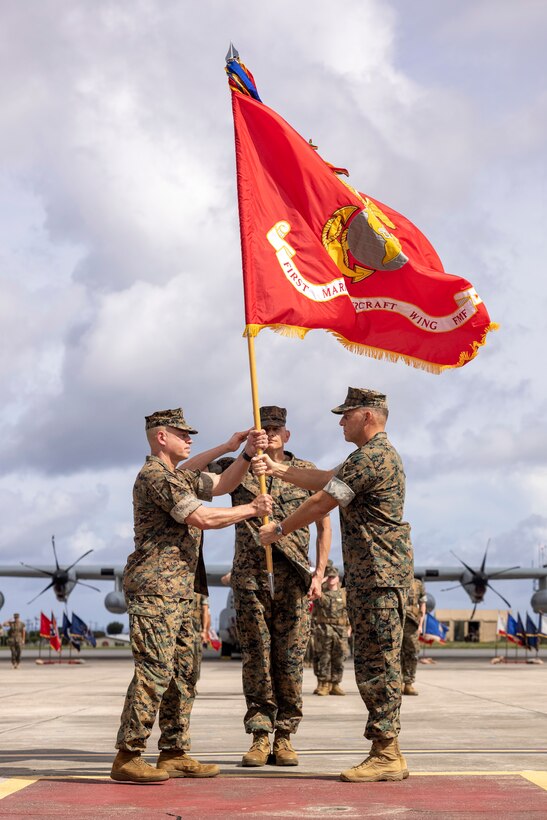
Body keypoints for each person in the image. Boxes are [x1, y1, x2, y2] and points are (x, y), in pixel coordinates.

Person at [258, 387, 413, 782]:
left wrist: (279, 528)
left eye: (346, 414)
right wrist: (279, 471)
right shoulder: (366, 458)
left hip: (379, 577)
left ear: (367, 416)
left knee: (378, 665)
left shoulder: (372, 457)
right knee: (373, 662)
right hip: (373, 576)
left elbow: (321, 502)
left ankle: (386, 752)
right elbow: (326, 479)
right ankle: (386, 749)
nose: (340, 421)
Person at [111, 408, 272, 784]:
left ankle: (174, 750)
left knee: (184, 673)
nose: (190, 439)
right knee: (154, 671)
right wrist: (252, 509)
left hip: (183, 590)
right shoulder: (155, 476)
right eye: (183, 434)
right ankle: (128, 754)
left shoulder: (178, 476)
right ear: (161, 437)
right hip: (156, 589)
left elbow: (221, 485)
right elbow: (201, 517)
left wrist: (244, 453)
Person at [210, 405, 332, 767]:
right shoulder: (239, 468)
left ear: (287, 434)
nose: (271, 434)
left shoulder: (306, 472)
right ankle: (261, 735)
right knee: (257, 657)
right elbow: (197, 480)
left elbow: (324, 524)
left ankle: (285, 736)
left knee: (290, 659)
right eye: (264, 428)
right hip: (250, 576)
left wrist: (319, 572)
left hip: (293, 575)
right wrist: (240, 451)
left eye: (277, 428)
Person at [311, 560, 350, 696]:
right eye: (329, 577)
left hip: (340, 629)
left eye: (333, 577)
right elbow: (311, 596)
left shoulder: (344, 593)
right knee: (323, 657)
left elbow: (349, 611)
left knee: (339, 657)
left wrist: (349, 628)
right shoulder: (321, 591)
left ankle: (335, 684)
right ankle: (323, 683)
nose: (331, 579)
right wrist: (321, 581)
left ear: (338, 577)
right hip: (324, 628)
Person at [401, 577, 427, 695]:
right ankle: (397, 683)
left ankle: (408, 684)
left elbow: (422, 604)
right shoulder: (393, 580)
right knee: (395, 654)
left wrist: (421, 624)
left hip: (411, 624)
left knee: (412, 653)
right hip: (396, 622)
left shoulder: (418, 584)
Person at [192, 591, 210, 684]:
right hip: (194, 631)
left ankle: (191, 685)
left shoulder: (200, 592)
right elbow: (206, 612)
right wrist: (204, 631)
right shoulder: (199, 590)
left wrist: (204, 631)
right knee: (195, 659)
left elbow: (205, 611)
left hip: (195, 631)